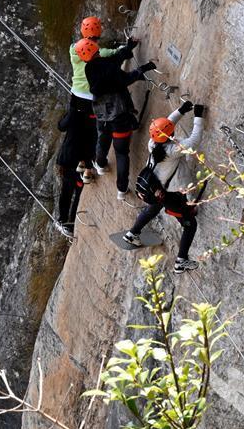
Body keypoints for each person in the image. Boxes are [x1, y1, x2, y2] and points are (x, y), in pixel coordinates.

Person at [123, 101, 207, 273]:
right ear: (170, 135)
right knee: (190, 224)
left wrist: (181, 111)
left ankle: (133, 234)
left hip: (154, 188)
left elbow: (164, 127)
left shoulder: (153, 143)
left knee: (154, 207)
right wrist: (198, 116)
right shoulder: (172, 151)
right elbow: (194, 140)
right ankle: (181, 261)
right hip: (170, 195)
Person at [77, 38, 156, 194]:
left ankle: (100, 164)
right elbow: (123, 78)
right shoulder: (108, 65)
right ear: (96, 49)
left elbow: (115, 60)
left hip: (102, 116)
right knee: (121, 153)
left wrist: (128, 48)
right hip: (119, 116)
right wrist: (141, 70)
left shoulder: (89, 69)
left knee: (103, 140)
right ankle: (121, 189)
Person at [65, 16, 119, 184]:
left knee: (80, 130)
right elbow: (115, 54)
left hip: (75, 95)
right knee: (94, 132)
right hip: (90, 99)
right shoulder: (100, 53)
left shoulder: (73, 49)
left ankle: (81, 162)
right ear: (99, 31)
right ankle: (88, 169)